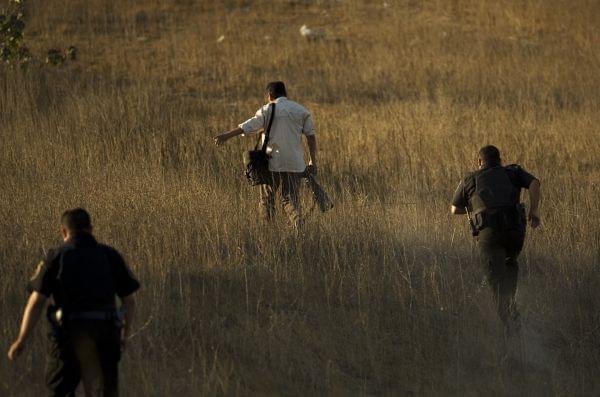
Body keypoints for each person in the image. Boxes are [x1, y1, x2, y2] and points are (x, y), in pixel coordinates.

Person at [7, 208, 140, 396]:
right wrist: (124, 335)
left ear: (64, 232)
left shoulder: (56, 256)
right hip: (105, 336)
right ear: (91, 229)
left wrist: (21, 339)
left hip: (67, 337)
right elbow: (129, 301)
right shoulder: (110, 255)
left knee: (60, 391)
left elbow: (36, 302)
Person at [450, 145, 541, 336]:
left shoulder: (470, 178)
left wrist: (474, 206)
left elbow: (454, 209)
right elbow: (534, 183)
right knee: (510, 263)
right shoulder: (513, 171)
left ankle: (513, 332)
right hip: (515, 234)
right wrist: (534, 211)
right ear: (500, 160)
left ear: (479, 162)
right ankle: (513, 314)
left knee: (497, 286)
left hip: (489, 236)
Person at [214, 81, 318, 227]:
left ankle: (267, 231)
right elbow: (311, 137)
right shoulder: (301, 111)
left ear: (270, 95)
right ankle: (298, 225)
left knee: (266, 200)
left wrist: (226, 135)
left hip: (271, 162)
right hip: (295, 163)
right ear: (285, 94)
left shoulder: (267, 110)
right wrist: (312, 161)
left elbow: (248, 125)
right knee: (290, 200)